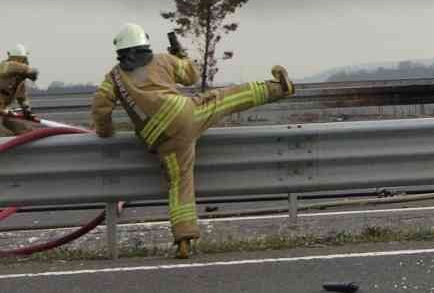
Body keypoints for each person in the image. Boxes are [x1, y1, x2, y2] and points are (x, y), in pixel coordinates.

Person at [90, 23, 295, 259]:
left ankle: (184, 239)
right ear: (144, 44)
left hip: (160, 138)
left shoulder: (113, 77)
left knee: (180, 182)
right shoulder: (163, 60)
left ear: (120, 50)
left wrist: (105, 132)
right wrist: (182, 55)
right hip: (185, 115)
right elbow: (191, 76)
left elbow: (100, 107)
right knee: (226, 98)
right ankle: (280, 88)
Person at [0, 45, 40, 135]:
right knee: (4, 135)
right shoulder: (4, 67)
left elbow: (22, 98)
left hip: (3, 112)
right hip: (2, 112)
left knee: (25, 131)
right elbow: (9, 66)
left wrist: (27, 111)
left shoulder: (19, 80)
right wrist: (28, 70)